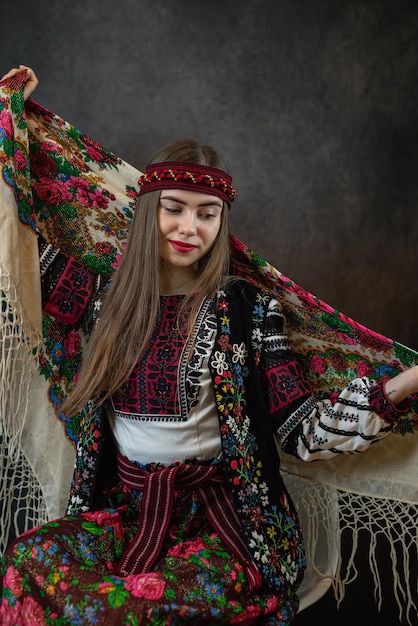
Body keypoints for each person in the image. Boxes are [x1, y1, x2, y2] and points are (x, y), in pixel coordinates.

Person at [1, 66, 418, 626]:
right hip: (128, 514)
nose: (188, 227)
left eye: (207, 214)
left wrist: (407, 383)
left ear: (222, 224)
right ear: (149, 211)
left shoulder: (245, 309)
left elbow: (302, 429)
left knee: (126, 609)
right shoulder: (97, 293)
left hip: (227, 525)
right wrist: (8, 121)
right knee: (27, 564)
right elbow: (15, 235)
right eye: (173, 207)